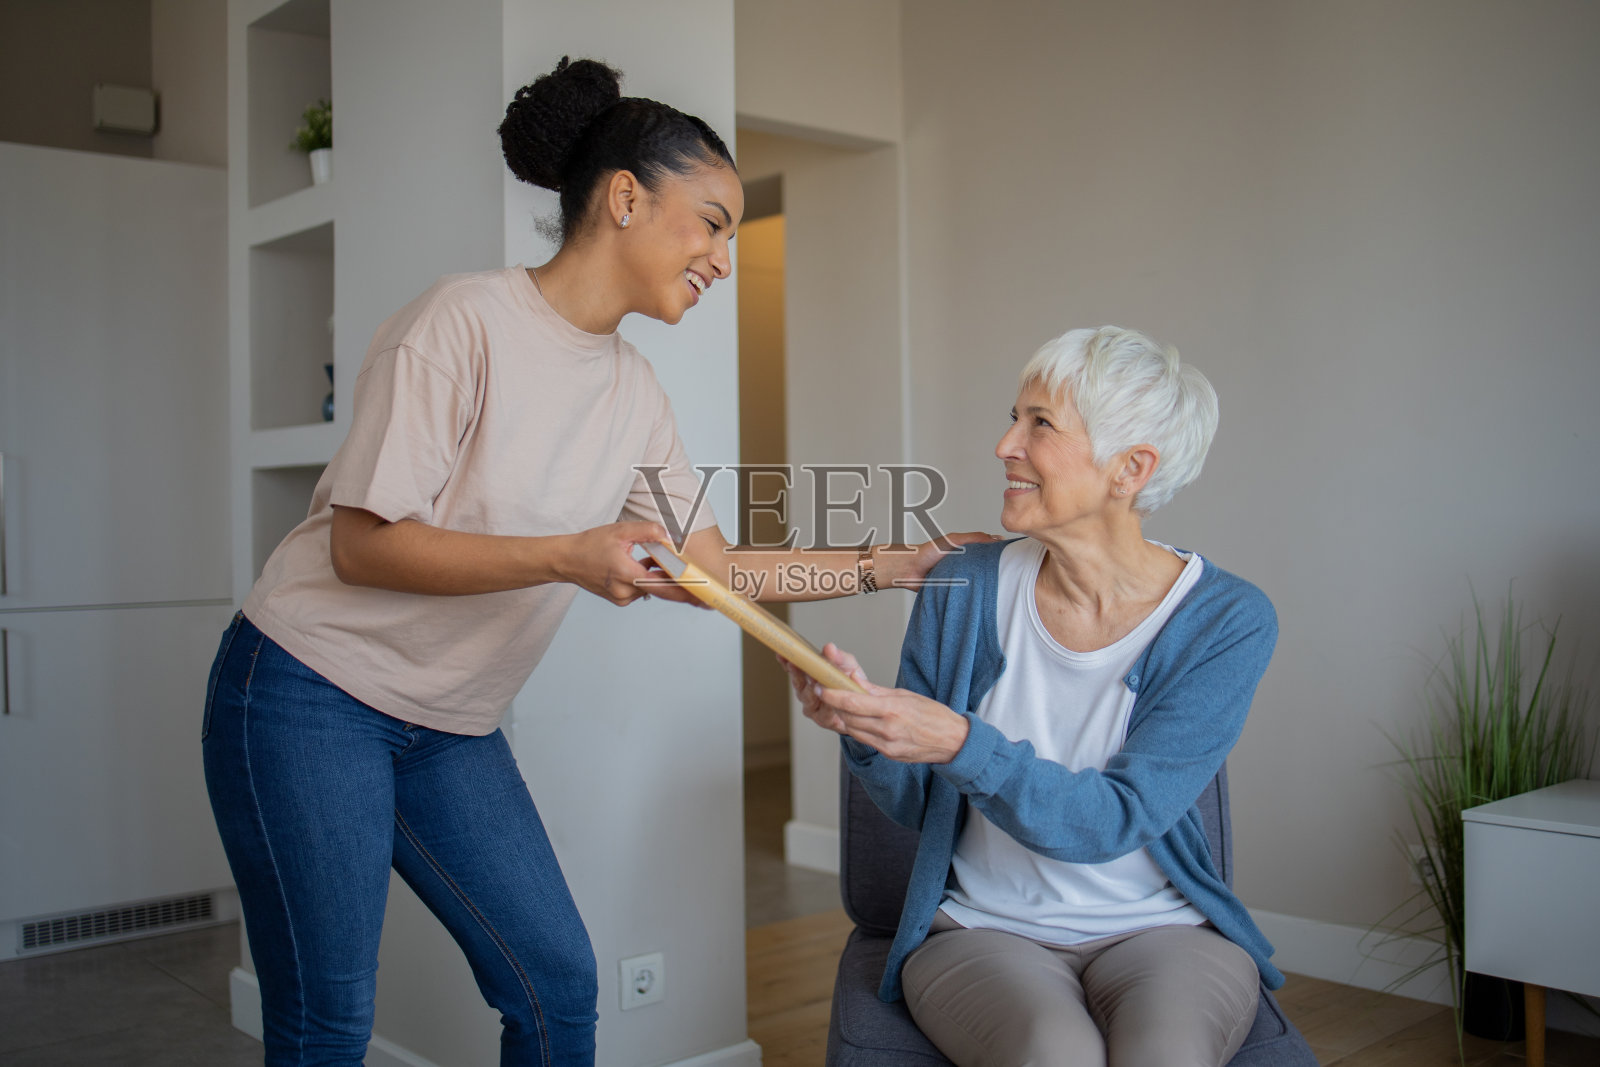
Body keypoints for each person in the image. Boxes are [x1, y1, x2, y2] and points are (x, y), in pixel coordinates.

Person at [203, 56, 977, 1067]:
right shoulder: (460, 323)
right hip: (307, 692)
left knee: (557, 986)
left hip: (448, 724)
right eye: (712, 223)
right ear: (624, 198)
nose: (722, 260)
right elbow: (361, 545)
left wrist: (901, 561)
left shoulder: (633, 392)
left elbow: (714, 569)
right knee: (327, 1020)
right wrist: (568, 555)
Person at [786, 326, 1281, 1067]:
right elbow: (920, 804)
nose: (1004, 445)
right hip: (984, 929)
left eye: (1039, 423)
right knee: (1055, 1054)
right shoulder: (965, 582)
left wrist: (959, 742)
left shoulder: (1226, 619)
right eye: (1014, 417)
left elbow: (1116, 819)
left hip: (1163, 930)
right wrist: (868, 731)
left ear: (1131, 468)